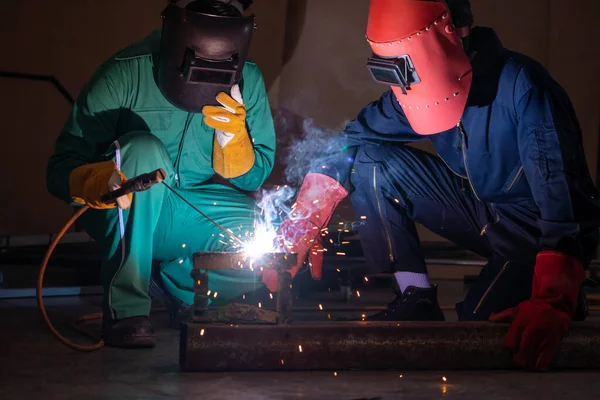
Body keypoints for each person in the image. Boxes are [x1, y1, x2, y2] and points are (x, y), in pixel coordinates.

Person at [277, 0, 600, 371]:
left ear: (452, 34)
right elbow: (353, 139)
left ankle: (566, 295)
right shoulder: (412, 88)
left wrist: (553, 297)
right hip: (480, 209)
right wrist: (303, 222)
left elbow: (564, 203)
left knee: (482, 332)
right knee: (370, 158)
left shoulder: (523, 88)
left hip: (534, 231)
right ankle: (415, 295)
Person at [46, 0, 276, 348]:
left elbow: (254, 179)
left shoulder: (249, 79)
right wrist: (97, 181)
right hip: (124, 205)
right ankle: (126, 309)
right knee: (143, 150)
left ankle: (176, 287)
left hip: (187, 210)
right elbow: (59, 169)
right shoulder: (125, 72)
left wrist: (235, 142)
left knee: (271, 237)